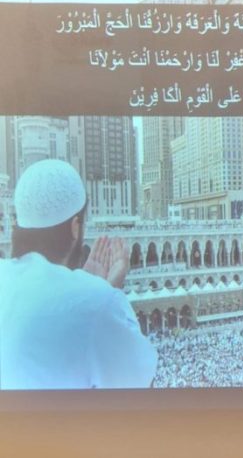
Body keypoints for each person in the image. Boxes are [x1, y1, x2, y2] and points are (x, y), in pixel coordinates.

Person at [0, 159, 157, 389]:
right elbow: (143, 388)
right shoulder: (98, 302)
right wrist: (105, 294)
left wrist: (93, 291)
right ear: (75, 226)